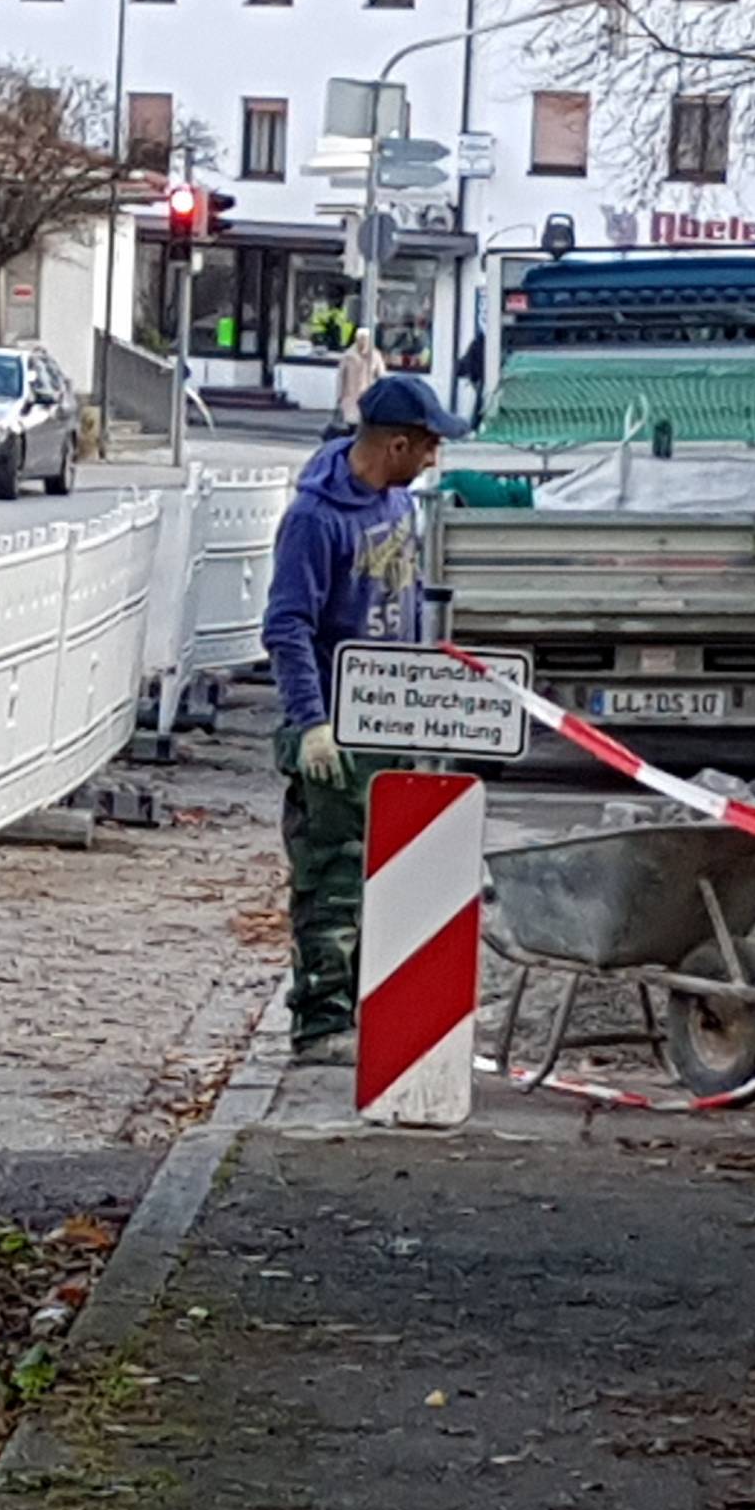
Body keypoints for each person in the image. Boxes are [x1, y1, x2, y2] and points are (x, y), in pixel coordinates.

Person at [262, 371, 469, 1064]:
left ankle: (367, 1008)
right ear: (398, 444)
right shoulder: (316, 520)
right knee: (334, 876)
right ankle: (320, 1023)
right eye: (431, 444)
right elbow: (288, 625)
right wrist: (311, 722)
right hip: (336, 731)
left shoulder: (399, 504)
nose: (437, 457)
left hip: (389, 722)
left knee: (384, 875)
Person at [331, 327, 386, 430]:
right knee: (352, 425)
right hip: (350, 397)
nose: (363, 341)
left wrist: (380, 396)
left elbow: (381, 377)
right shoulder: (348, 356)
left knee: (364, 425)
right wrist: (339, 396)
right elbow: (341, 377)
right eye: (361, 338)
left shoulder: (374, 355)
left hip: (368, 396)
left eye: (365, 339)